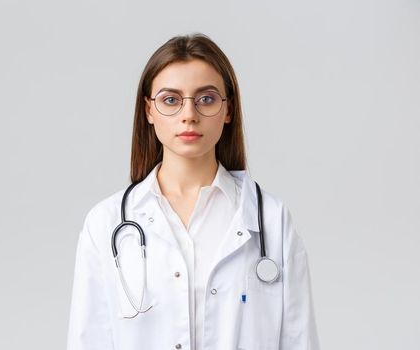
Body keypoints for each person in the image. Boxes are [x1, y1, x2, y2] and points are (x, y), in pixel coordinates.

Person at [66, 33, 320, 350]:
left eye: (206, 99)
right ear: (149, 111)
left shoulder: (271, 219)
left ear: (228, 110)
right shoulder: (105, 223)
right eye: (171, 100)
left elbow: (298, 340)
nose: (189, 114)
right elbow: (88, 340)